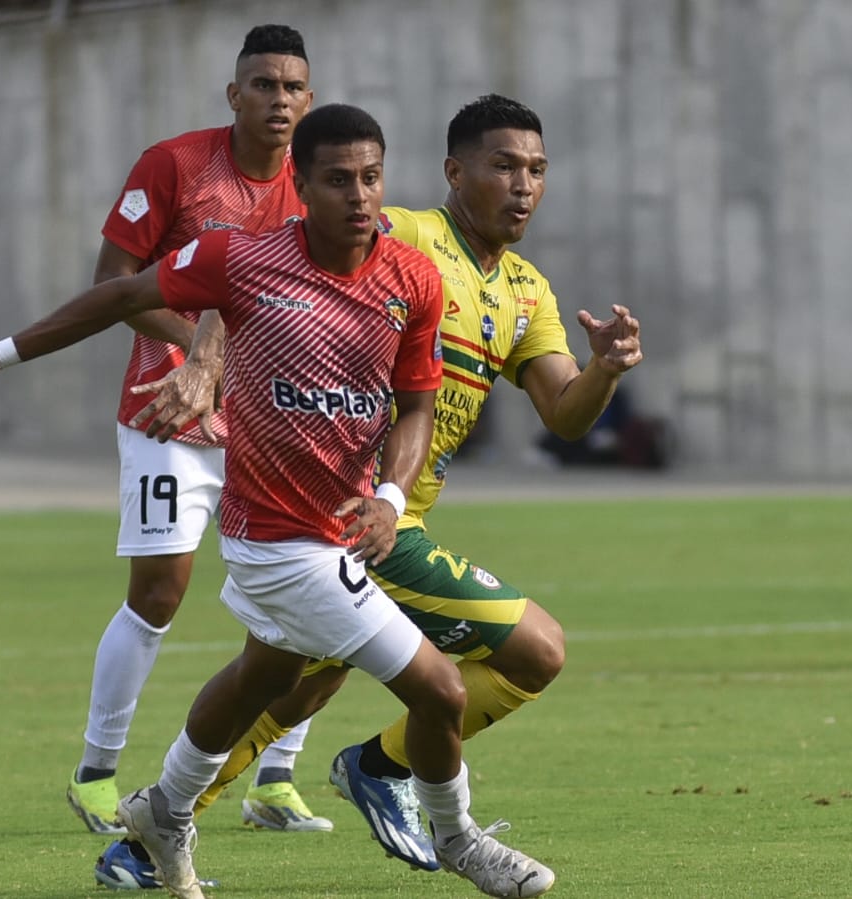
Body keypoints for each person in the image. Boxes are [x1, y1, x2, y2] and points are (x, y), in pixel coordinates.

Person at [0, 103, 554, 899]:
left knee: (262, 678)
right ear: (301, 184)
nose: (359, 197)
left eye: (371, 178)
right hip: (280, 541)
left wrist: (391, 494)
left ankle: (164, 810)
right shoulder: (242, 260)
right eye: (336, 180)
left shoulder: (410, 279)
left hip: (346, 526)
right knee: (440, 689)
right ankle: (458, 841)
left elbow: (416, 405)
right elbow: (118, 296)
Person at [132, 93, 643, 875]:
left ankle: (146, 841)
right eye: (502, 166)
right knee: (534, 649)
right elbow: (260, 263)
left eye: (536, 170)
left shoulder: (527, 292)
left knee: (284, 688)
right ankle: (384, 768)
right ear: (453, 171)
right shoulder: (404, 231)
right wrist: (205, 359)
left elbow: (565, 416)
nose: (523, 186)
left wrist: (604, 368)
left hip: (381, 519)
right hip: (344, 514)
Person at [67, 24, 334, 840]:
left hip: (274, 430)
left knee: (308, 595)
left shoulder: (319, 182)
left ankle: (276, 779)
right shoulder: (176, 166)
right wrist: (198, 347)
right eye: (262, 84)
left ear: (308, 99)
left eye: (292, 87)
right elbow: (112, 284)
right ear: (234, 94)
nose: (278, 100)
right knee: (159, 593)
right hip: (169, 413)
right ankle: (97, 774)